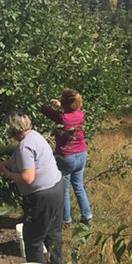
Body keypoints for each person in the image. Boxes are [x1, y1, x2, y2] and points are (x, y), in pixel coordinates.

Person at [0, 111, 65, 264]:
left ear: (14, 130)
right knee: (53, 231)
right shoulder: (35, 136)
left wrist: (9, 174)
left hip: (42, 197)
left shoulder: (25, 146)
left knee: (33, 239)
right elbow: (13, 160)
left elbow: (27, 178)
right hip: (57, 187)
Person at [40, 88, 92, 226]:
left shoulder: (61, 118)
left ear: (64, 103)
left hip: (66, 157)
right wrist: (61, 106)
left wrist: (37, 97)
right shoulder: (80, 115)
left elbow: (45, 110)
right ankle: (87, 216)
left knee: (65, 189)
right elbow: (69, 113)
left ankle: (66, 220)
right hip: (81, 154)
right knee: (79, 186)